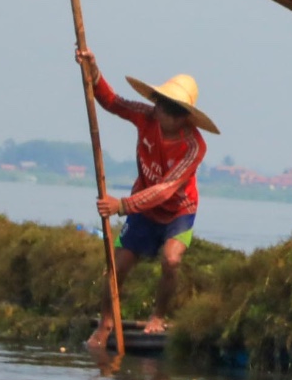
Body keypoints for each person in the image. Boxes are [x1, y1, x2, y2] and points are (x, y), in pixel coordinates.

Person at [76, 53, 216, 348]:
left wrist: (122, 206)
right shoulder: (146, 116)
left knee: (171, 259)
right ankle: (106, 323)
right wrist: (93, 71)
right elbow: (112, 102)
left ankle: (158, 315)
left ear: (184, 116)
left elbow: (167, 189)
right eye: (161, 104)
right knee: (119, 265)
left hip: (178, 211)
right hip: (143, 207)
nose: (163, 113)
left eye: (173, 109)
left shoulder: (193, 146)